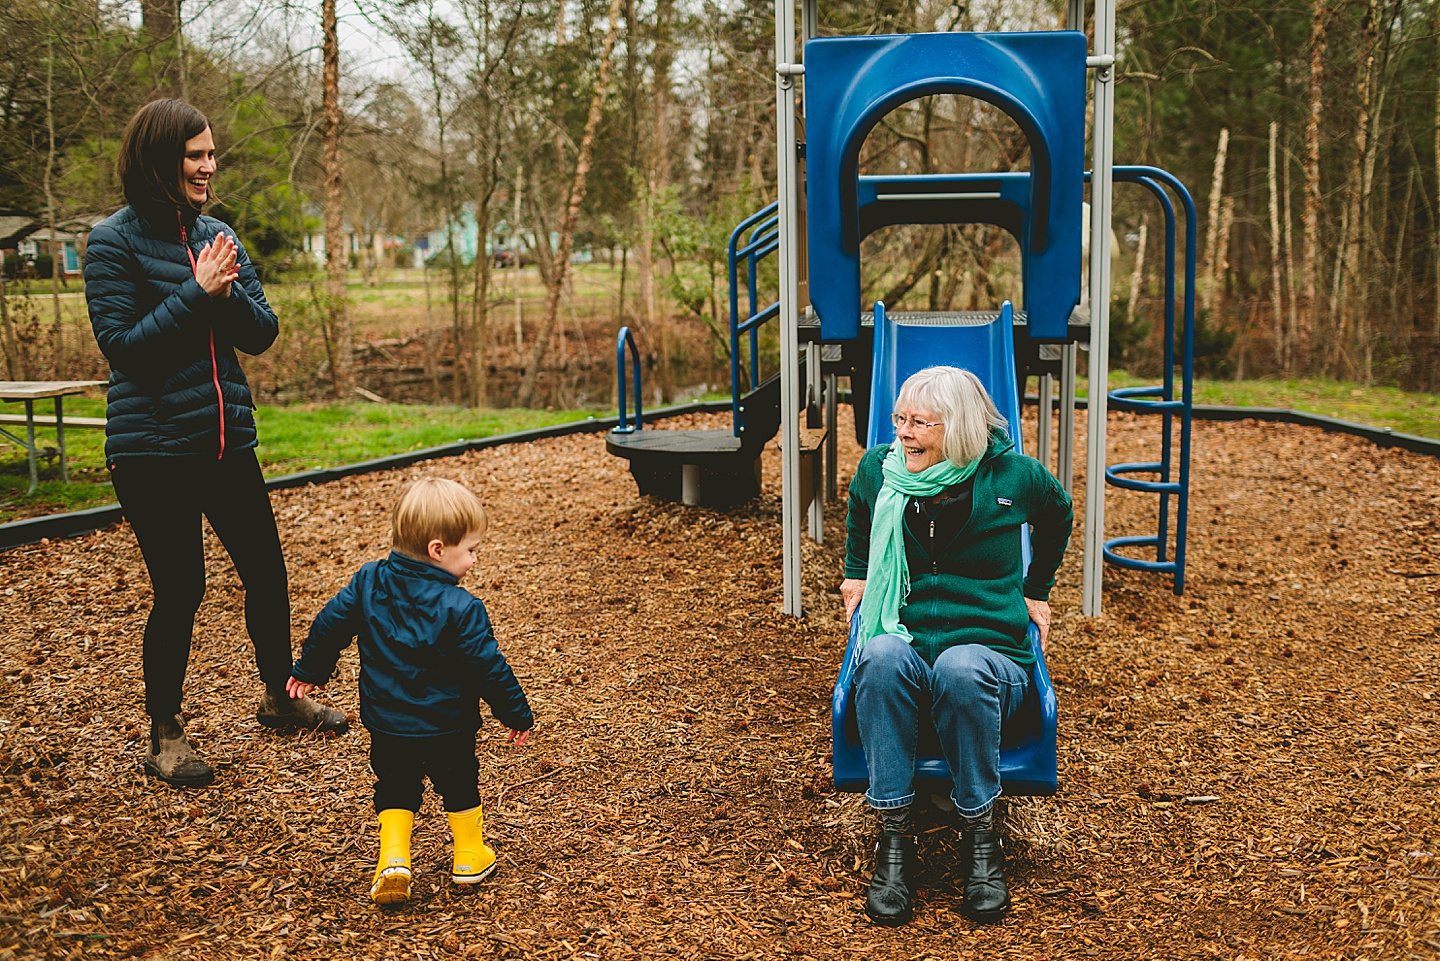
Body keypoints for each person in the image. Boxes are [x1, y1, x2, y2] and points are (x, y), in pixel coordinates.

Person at [85, 99, 347, 790]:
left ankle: (278, 698)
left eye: (211, 154)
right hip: (152, 451)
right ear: (158, 162)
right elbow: (125, 351)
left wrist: (224, 293)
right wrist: (198, 293)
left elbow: (261, 332)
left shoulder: (218, 235)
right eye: (195, 155)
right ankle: (165, 733)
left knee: (267, 571)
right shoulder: (110, 242)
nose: (209, 166)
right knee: (181, 589)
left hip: (227, 440)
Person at [839, 365, 1072, 926]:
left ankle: (980, 837)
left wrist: (1036, 590)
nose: (904, 432)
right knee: (880, 655)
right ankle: (894, 839)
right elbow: (859, 514)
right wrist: (857, 573)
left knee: (962, 667)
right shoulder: (883, 471)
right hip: (910, 644)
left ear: (960, 426)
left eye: (921, 422)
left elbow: (1059, 515)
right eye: (900, 419)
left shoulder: (1015, 478)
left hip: (992, 657)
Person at [287, 477, 535, 905]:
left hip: (389, 724)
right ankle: (470, 856)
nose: (474, 561)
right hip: (449, 726)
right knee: (459, 783)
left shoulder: (368, 583)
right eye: (471, 551)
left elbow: (331, 623)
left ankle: (394, 858)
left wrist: (312, 668)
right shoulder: (463, 608)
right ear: (438, 550)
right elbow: (488, 667)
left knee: (396, 784)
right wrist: (515, 713)